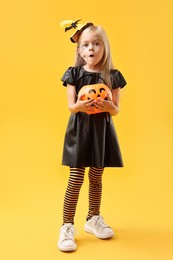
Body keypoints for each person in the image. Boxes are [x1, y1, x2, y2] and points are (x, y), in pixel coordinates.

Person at [58, 20, 127, 252]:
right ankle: (66, 225)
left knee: (96, 177)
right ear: (79, 49)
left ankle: (92, 218)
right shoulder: (74, 74)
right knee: (76, 178)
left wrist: (108, 105)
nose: (91, 49)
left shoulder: (113, 76)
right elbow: (71, 106)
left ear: (104, 47)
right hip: (80, 130)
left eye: (96, 44)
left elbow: (116, 110)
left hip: (101, 132)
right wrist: (81, 104)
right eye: (86, 44)